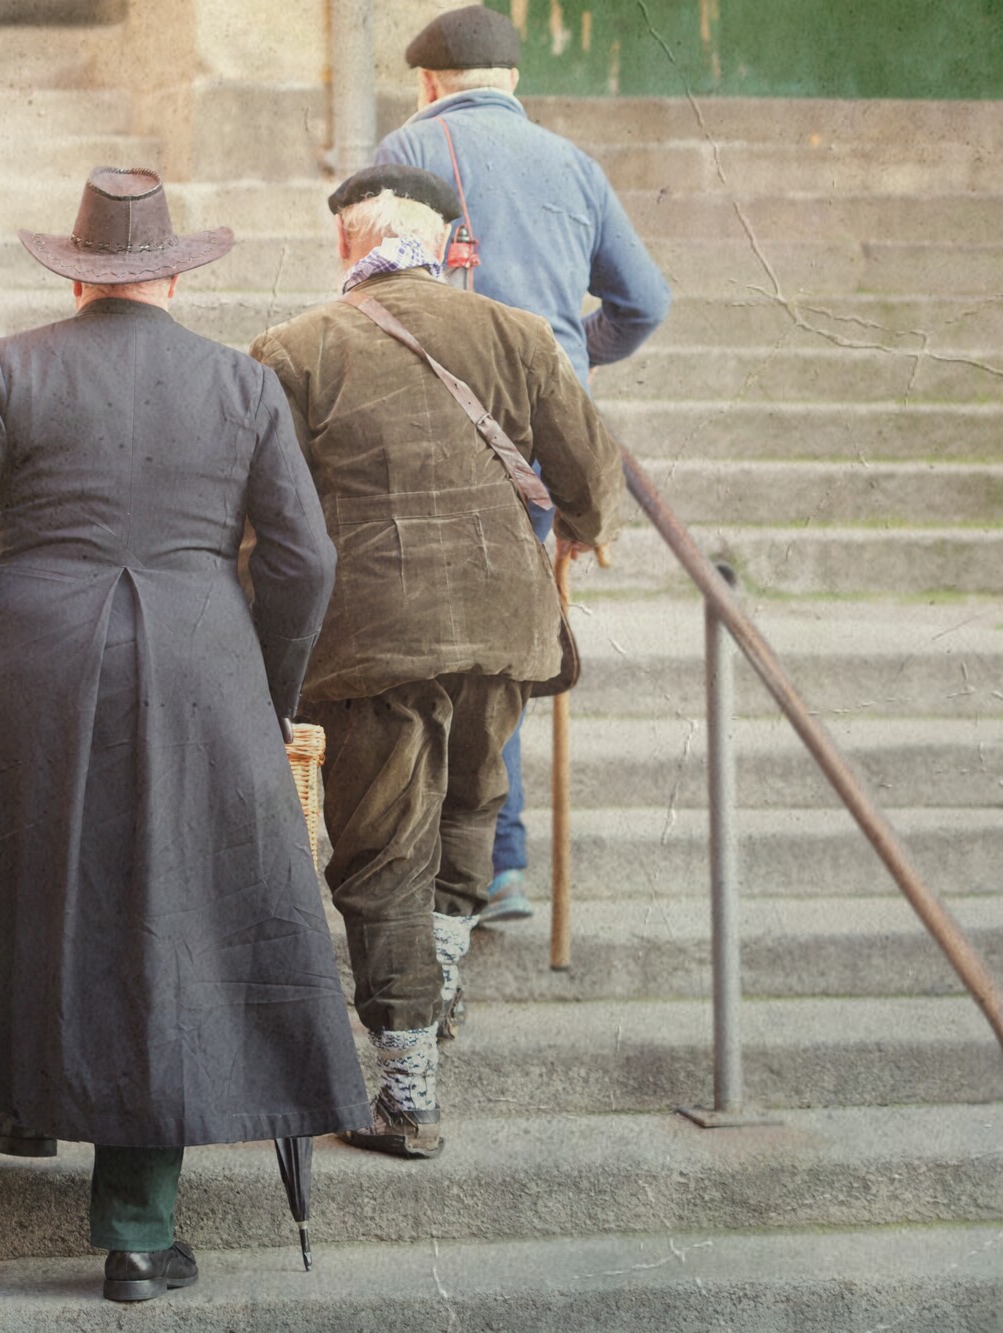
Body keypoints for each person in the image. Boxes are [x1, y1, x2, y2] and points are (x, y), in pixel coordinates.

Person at [0, 167, 370, 1303]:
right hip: (198, 664)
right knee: (163, 916)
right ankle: (139, 1233)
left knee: (28, 874)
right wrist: (261, 683)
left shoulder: (5, 366)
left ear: (75, 272)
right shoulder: (239, 383)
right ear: (171, 270)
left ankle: (17, 1103)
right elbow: (303, 558)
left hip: (28, 656)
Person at [249, 164, 624, 1159]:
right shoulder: (514, 332)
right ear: (443, 247)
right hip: (504, 620)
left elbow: (271, 526)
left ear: (347, 246)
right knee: (473, 800)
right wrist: (583, 528)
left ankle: (407, 1086)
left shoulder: (291, 351)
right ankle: (442, 970)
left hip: (367, 637)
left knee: (377, 855)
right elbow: (587, 467)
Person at [375, 3, 672, 927]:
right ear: (514, 84)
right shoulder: (572, 165)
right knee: (502, 649)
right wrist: (561, 356)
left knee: (420, 645)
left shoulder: (405, 153)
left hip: (432, 434)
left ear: (428, 84)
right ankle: (497, 867)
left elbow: (370, 300)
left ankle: (439, 862)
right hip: (540, 450)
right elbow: (644, 304)